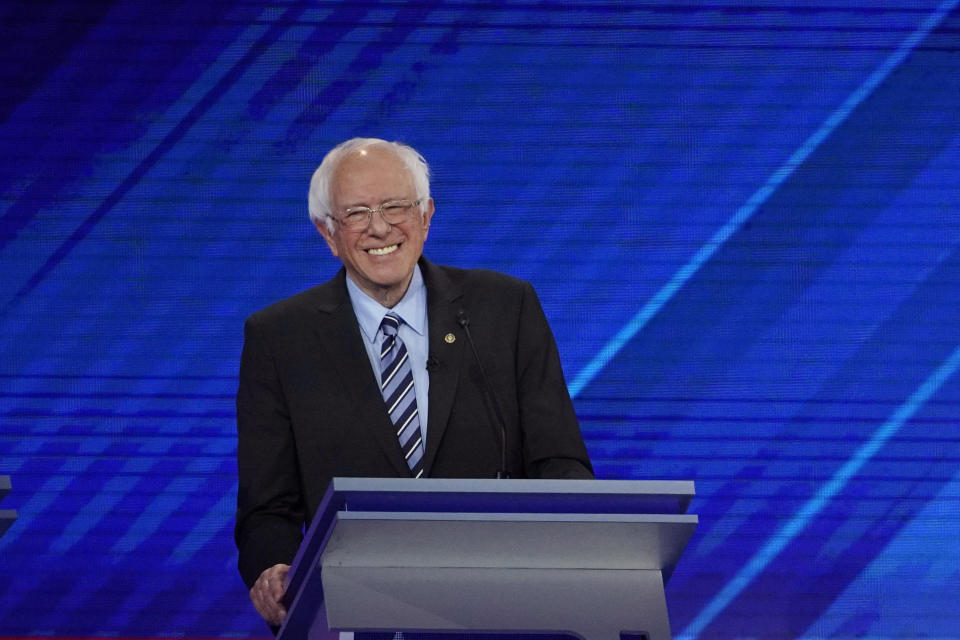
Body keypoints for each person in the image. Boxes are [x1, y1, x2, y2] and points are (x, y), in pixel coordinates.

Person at [235, 138, 593, 627]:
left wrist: (573, 547)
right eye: (356, 213)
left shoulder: (503, 309)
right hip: (356, 613)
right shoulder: (279, 338)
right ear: (328, 233)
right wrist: (273, 567)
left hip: (507, 608)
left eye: (395, 206)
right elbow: (267, 509)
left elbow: (562, 464)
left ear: (426, 216)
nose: (380, 227)